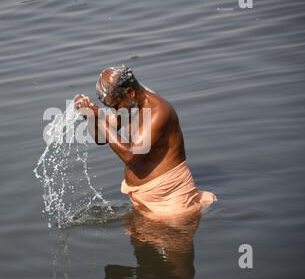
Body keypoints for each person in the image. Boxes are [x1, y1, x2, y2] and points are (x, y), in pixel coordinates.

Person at [74, 65, 216, 219]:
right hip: (142, 198)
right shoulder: (130, 105)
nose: (114, 111)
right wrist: (89, 115)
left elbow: (131, 155)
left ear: (130, 92)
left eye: (115, 106)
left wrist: (101, 119)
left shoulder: (158, 111)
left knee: (173, 241)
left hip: (169, 199)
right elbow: (102, 137)